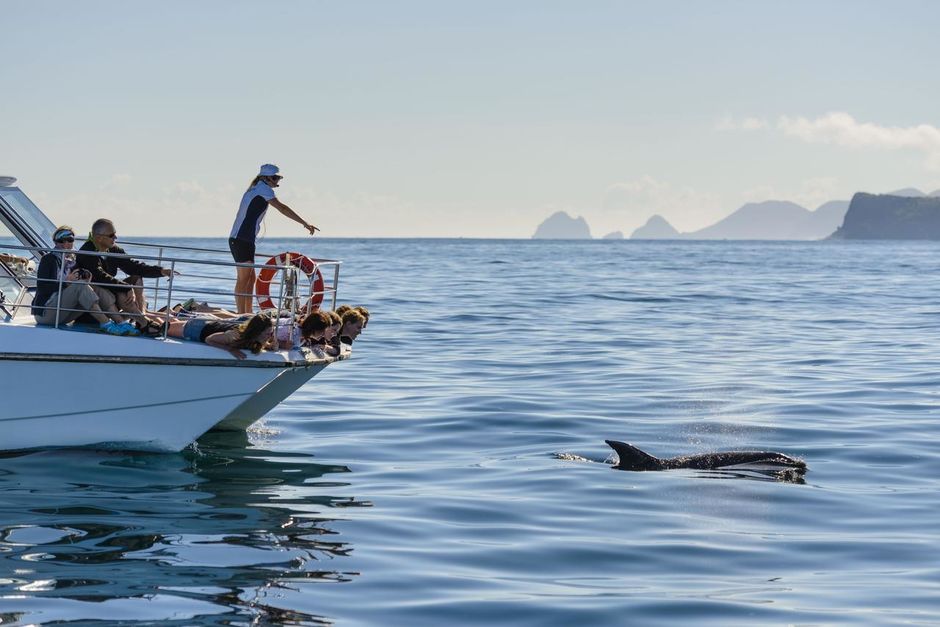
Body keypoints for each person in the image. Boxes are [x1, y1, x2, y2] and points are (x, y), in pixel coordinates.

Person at [229, 164, 319, 314]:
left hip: (245, 240)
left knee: (250, 278)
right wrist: (304, 223)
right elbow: (282, 208)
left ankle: (247, 313)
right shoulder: (263, 189)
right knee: (244, 278)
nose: (278, 180)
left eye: (279, 177)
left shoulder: (257, 188)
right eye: (275, 177)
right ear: (266, 178)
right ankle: (241, 314)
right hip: (240, 239)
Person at [77, 218, 174, 335]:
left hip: (110, 294)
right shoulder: (87, 252)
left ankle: (141, 319)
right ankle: (145, 324)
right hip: (95, 303)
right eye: (112, 235)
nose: (115, 238)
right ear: (99, 238)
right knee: (122, 291)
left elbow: (132, 266)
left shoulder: (112, 249)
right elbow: (100, 277)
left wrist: (161, 271)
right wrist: (126, 287)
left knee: (136, 278)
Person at [32, 226, 135, 335]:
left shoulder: (73, 260)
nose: (65, 243)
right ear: (55, 242)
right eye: (61, 240)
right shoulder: (48, 259)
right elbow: (43, 288)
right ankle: (106, 324)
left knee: (94, 287)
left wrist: (86, 277)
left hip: (63, 313)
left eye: (70, 239)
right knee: (80, 286)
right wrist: (67, 283)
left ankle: (120, 322)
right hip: (46, 313)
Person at [165, 312, 276, 360]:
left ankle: (168, 313)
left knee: (169, 324)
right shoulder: (234, 335)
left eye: (271, 333)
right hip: (197, 329)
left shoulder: (254, 337)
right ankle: (151, 317)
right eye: (268, 334)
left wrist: (270, 345)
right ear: (257, 332)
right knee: (161, 328)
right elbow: (209, 340)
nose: (269, 336)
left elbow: (257, 344)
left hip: (210, 322)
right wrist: (230, 349)